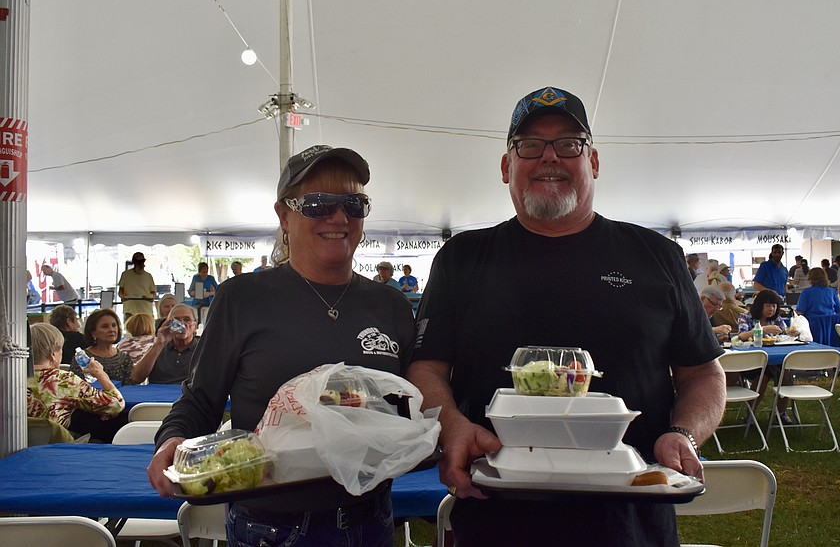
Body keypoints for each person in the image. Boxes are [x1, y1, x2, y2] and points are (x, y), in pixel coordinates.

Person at [405, 86, 726, 546]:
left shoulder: (656, 255)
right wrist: (452, 426)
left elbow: (703, 373)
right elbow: (427, 367)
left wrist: (683, 433)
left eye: (569, 144)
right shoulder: (462, 258)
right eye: (530, 145)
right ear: (506, 167)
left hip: (630, 522)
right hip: (494, 516)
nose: (549, 157)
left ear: (592, 162)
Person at [147, 145, 415, 547]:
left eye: (354, 204)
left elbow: (411, 406)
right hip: (272, 527)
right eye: (318, 203)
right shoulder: (241, 298)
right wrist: (172, 440)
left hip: (372, 518)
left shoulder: (390, 304)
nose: (339, 217)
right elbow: (200, 400)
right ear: (284, 215)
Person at [27, 323, 127, 443]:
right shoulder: (64, 380)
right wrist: (101, 374)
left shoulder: (11, 379)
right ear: (53, 355)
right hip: (57, 447)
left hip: (15, 447)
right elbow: (116, 404)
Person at [736, 289, 799, 424]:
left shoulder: (776, 319)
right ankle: (751, 413)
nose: (772, 309)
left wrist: (791, 333)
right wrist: (762, 329)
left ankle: (781, 413)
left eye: (774, 306)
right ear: (760, 305)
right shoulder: (746, 317)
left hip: (774, 359)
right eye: (768, 305)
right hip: (752, 360)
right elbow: (742, 336)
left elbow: (783, 334)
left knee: (785, 374)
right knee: (763, 376)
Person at [69, 308, 139, 386]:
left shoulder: (124, 358)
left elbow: (130, 387)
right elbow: (74, 387)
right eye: (105, 326)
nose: (111, 329)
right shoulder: (82, 359)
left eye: (114, 325)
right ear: (93, 333)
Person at [132, 304, 199, 384]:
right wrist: (159, 344)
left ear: (195, 326)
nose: (181, 324)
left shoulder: (203, 348)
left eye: (187, 320)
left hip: (190, 391)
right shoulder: (159, 347)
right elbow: (136, 378)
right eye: (176, 320)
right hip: (158, 391)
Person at [118, 252, 157, 320]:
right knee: (129, 326)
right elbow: (121, 291)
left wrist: (148, 297)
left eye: (142, 261)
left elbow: (153, 293)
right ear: (134, 262)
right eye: (138, 262)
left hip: (146, 311)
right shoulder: (126, 275)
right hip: (130, 311)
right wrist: (123, 296)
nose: (140, 264)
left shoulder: (148, 276)